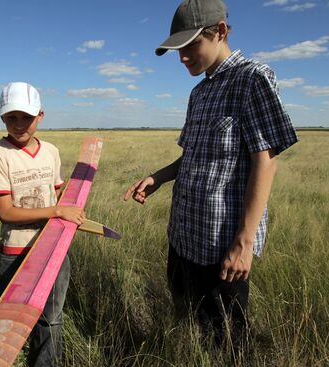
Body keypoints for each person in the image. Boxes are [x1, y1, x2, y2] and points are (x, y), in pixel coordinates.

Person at [124, 0, 298, 363]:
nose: (183, 57)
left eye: (190, 47)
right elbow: (192, 156)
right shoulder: (199, 93)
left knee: (229, 342)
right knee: (189, 325)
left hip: (222, 246)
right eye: (178, 50)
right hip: (185, 235)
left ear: (219, 31)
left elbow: (266, 161)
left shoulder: (253, 79)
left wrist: (244, 242)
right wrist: (158, 177)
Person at [0, 81, 86, 366]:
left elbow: (57, 194)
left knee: (51, 319)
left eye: (26, 117)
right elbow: (6, 212)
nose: (19, 124)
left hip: (53, 249)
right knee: (10, 321)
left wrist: (69, 206)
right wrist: (57, 211)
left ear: (40, 115)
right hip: (15, 252)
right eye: (11, 117)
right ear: (2, 117)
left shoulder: (50, 151)